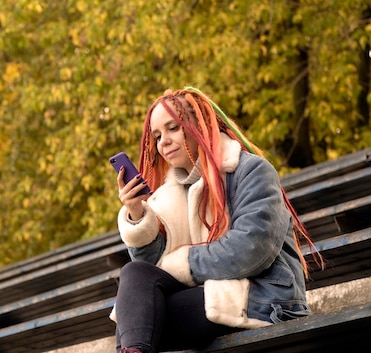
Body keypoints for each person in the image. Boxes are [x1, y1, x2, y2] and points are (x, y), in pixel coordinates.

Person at [111, 87, 322, 353]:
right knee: (134, 278)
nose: (163, 141)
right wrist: (138, 214)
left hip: (265, 300)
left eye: (173, 128)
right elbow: (152, 268)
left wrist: (182, 263)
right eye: (157, 135)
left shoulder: (251, 171)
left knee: (140, 321)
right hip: (208, 298)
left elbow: (250, 250)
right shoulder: (168, 195)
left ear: (200, 125)